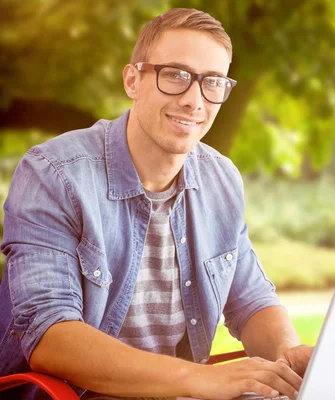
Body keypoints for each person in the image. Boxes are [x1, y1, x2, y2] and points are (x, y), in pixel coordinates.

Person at [0, 8, 312, 400]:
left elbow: (251, 300)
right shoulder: (53, 173)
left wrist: (288, 355)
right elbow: (49, 334)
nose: (194, 100)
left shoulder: (221, 178)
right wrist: (201, 380)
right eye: (176, 75)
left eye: (212, 82)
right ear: (133, 80)